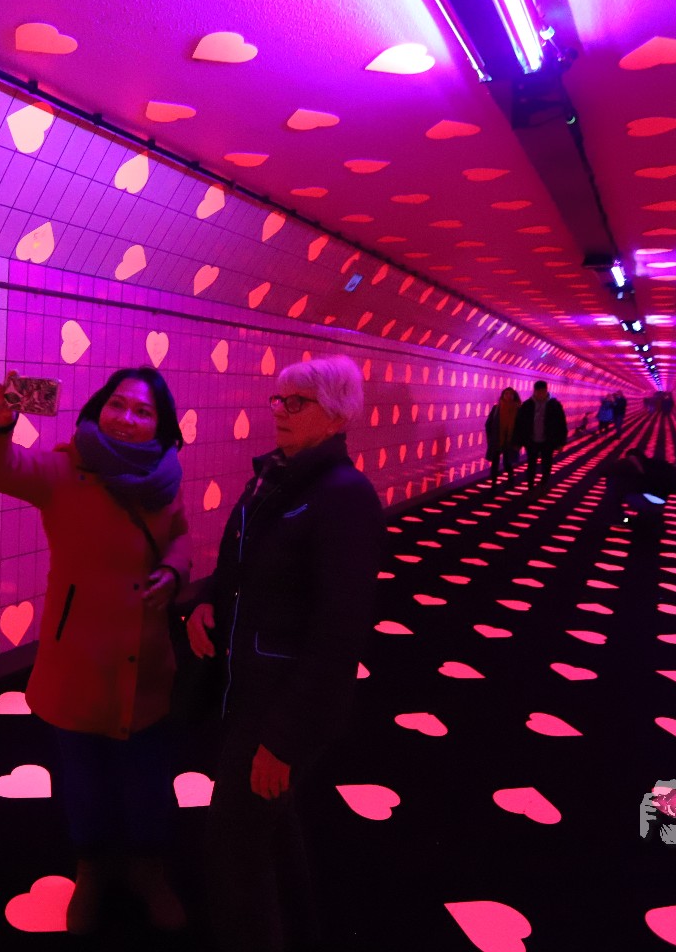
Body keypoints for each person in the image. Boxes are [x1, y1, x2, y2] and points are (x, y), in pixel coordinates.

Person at [0, 368, 192, 933]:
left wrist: (173, 570)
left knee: (147, 780)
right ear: (97, 409)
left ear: (161, 426)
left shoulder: (166, 478)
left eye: (143, 411)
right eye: (118, 404)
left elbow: (181, 536)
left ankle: (149, 871)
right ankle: (91, 871)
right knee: (84, 779)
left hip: (144, 661)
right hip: (79, 661)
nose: (127, 417)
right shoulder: (65, 469)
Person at [185, 355, 385, 952]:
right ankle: (300, 928)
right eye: (278, 399)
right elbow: (238, 558)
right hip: (250, 685)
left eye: (297, 402)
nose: (280, 411)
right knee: (269, 825)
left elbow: (338, 632)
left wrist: (284, 740)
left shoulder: (345, 497)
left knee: (234, 843)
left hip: (281, 705)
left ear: (336, 415)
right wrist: (206, 601)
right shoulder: (274, 476)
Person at [515, 380, 568, 487]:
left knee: (546, 463)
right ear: (534, 391)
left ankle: (544, 482)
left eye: (542, 391)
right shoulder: (527, 405)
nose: (540, 394)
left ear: (546, 391)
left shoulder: (554, 405)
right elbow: (520, 424)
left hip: (548, 440)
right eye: (538, 391)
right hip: (531, 440)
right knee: (531, 463)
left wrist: (561, 443)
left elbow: (561, 424)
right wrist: (518, 441)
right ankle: (530, 483)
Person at [483, 387, 522, 487]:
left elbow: (522, 427)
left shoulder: (518, 409)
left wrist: (519, 441)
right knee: (495, 463)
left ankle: (510, 477)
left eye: (511, 394)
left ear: (514, 396)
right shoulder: (496, 408)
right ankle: (493, 482)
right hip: (497, 439)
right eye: (506, 394)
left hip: (510, 440)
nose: (508, 396)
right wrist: (490, 438)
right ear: (503, 396)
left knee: (507, 462)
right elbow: (488, 424)